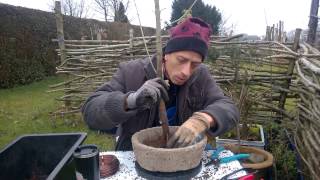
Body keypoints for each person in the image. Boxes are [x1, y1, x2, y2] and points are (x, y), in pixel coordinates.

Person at [81, 17, 239, 151]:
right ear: (166, 54)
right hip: (135, 155)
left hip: (183, 155)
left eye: (194, 64)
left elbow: (228, 108)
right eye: (181, 60)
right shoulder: (131, 72)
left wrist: (203, 119)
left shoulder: (201, 75)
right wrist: (131, 101)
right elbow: (91, 112)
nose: (186, 71)